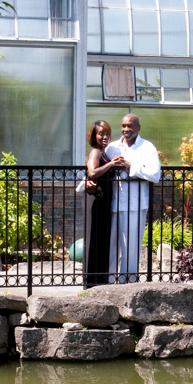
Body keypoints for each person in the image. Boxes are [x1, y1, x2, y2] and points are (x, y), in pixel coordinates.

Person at [105, 114, 161, 282]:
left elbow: (155, 174)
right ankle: (105, 282)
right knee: (109, 246)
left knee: (131, 247)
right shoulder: (112, 147)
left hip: (135, 204)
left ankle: (127, 283)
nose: (126, 129)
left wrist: (131, 166)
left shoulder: (147, 147)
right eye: (123, 126)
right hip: (113, 202)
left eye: (130, 126)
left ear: (138, 127)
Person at [83, 120, 119, 286]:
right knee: (95, 241)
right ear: (94, 136)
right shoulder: (96, 152)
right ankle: (91, 282)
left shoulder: (104, 153)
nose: (105, 137)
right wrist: (111, 164)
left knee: (102, 240)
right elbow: (92, 172)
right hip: (96, 201)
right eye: (101, 133)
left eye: (107, 133)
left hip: (104, 201)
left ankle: (100, 280)